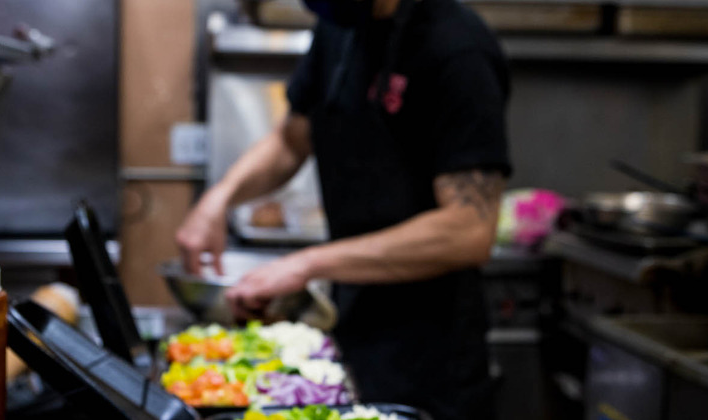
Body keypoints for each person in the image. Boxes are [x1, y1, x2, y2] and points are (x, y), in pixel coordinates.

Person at [176, 0, 511, 418]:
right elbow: (291, 140)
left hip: (431, 357)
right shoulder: (341, 28)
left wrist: (306, 264)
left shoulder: (458, 48)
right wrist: (218, 199)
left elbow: (469, 229)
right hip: (352, 327)